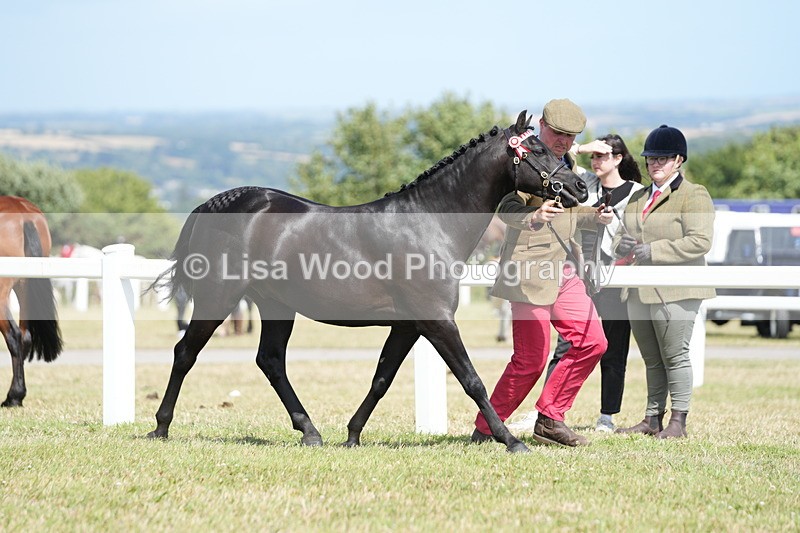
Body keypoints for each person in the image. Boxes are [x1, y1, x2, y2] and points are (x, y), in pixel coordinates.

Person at [471, 99, 613, 447]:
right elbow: (504, 207)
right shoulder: (519, 159)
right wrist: (532, 218)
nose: (564, 141)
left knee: (592, 341)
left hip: (563, 269)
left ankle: (550, 417)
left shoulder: (568, 162)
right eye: (559, 134)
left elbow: (565, 215)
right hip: (527, 270)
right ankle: (487, 428)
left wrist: (593, 215)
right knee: (530, 361)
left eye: (571, 136)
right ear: (542, 126)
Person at [509, 134, 645, 434]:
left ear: (619, 158)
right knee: (564, 346)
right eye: (594, 156)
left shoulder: (636, 193)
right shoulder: (584, 181)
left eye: (604, 155)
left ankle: (607, 415)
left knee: (611, 348)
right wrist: (583, 148)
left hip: (614, 274)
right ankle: (544, 413)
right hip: (580, 272)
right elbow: (557, 159)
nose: (597, 160)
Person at [613, 125, 715, 439]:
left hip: (677, 288)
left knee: (675, 354)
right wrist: (624, 246)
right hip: (639, 290)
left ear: (678, 160)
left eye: (662, 159)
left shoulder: (693, 194)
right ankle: (652, 417)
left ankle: (678, 422)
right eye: (650, 159)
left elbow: (700, 241)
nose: (655, 164)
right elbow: (619, 237)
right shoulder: (638, 197)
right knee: (652, 358)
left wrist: (654, 250)